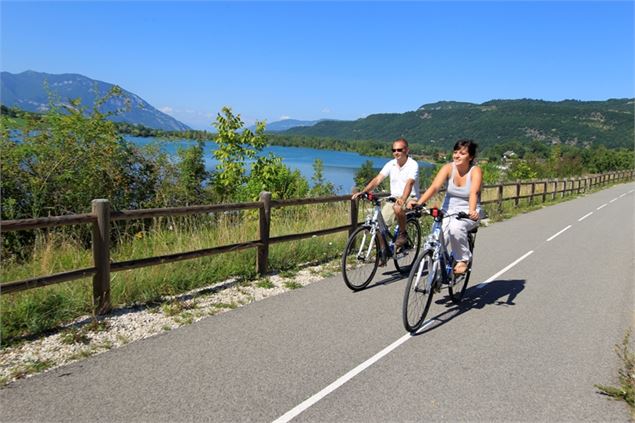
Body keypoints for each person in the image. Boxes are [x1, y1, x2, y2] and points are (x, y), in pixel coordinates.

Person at [408, 139, 483, 274]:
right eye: (455, 152)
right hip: (448, 210)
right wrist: (419, 203)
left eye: (462, 153)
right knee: (436, 238)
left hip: (468, 210)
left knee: (456, 228)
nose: (457, 156)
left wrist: (472, 211)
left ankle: (463, 260)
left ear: (470, 157)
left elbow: (473, 192)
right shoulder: (448, 168)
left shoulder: (475, 171)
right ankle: (437, 271)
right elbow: (435, 187)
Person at [352, 138, 420, 249]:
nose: (396, 153)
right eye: (393, 150)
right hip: (394, 197)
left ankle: (403, 235)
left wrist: (403, 198)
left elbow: (410, 183)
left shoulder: (413, 165)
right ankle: (383, 251)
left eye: (399, 150)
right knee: (379, 224)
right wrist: (364, 192)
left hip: (409, 197)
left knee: (398, 208)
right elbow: (378, 179)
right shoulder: (391, 164)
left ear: (407, 150)